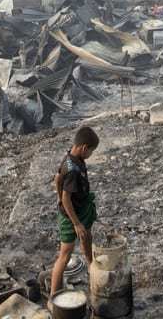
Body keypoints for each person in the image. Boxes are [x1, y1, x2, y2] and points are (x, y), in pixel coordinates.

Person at [50, 125, 100, 300]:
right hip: (71, 214)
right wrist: (76, 223)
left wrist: (58, 196)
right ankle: (53, 296)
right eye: (91, 152)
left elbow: (57, 178)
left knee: (87, 238)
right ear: (84, 147)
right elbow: (66, 199)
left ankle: (91, 267)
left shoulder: (72, 158)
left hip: (82, 207)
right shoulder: (71, 169)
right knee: (65, 254)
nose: (91, 156)